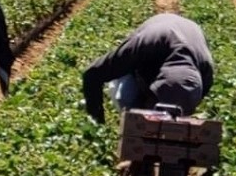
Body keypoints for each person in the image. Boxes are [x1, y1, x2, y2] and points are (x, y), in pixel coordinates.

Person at [82, 13, 214, 124]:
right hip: (159, 27)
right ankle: (131, 120)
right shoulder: (142, 47)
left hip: (189, 32)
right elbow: (92, 74)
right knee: (126, 96)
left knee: (176, 126)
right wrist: (97, 122)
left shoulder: (205, 73)